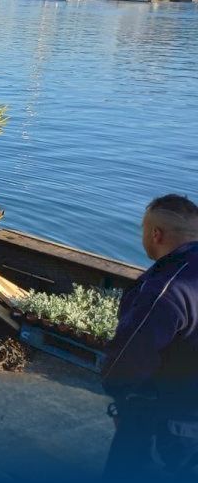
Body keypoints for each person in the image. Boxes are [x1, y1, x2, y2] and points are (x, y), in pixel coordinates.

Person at [101, 194, 198, 479]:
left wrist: (120, 400)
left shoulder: (166, 290)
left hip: (166, 424)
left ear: (156, 234)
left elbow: (129, 356)